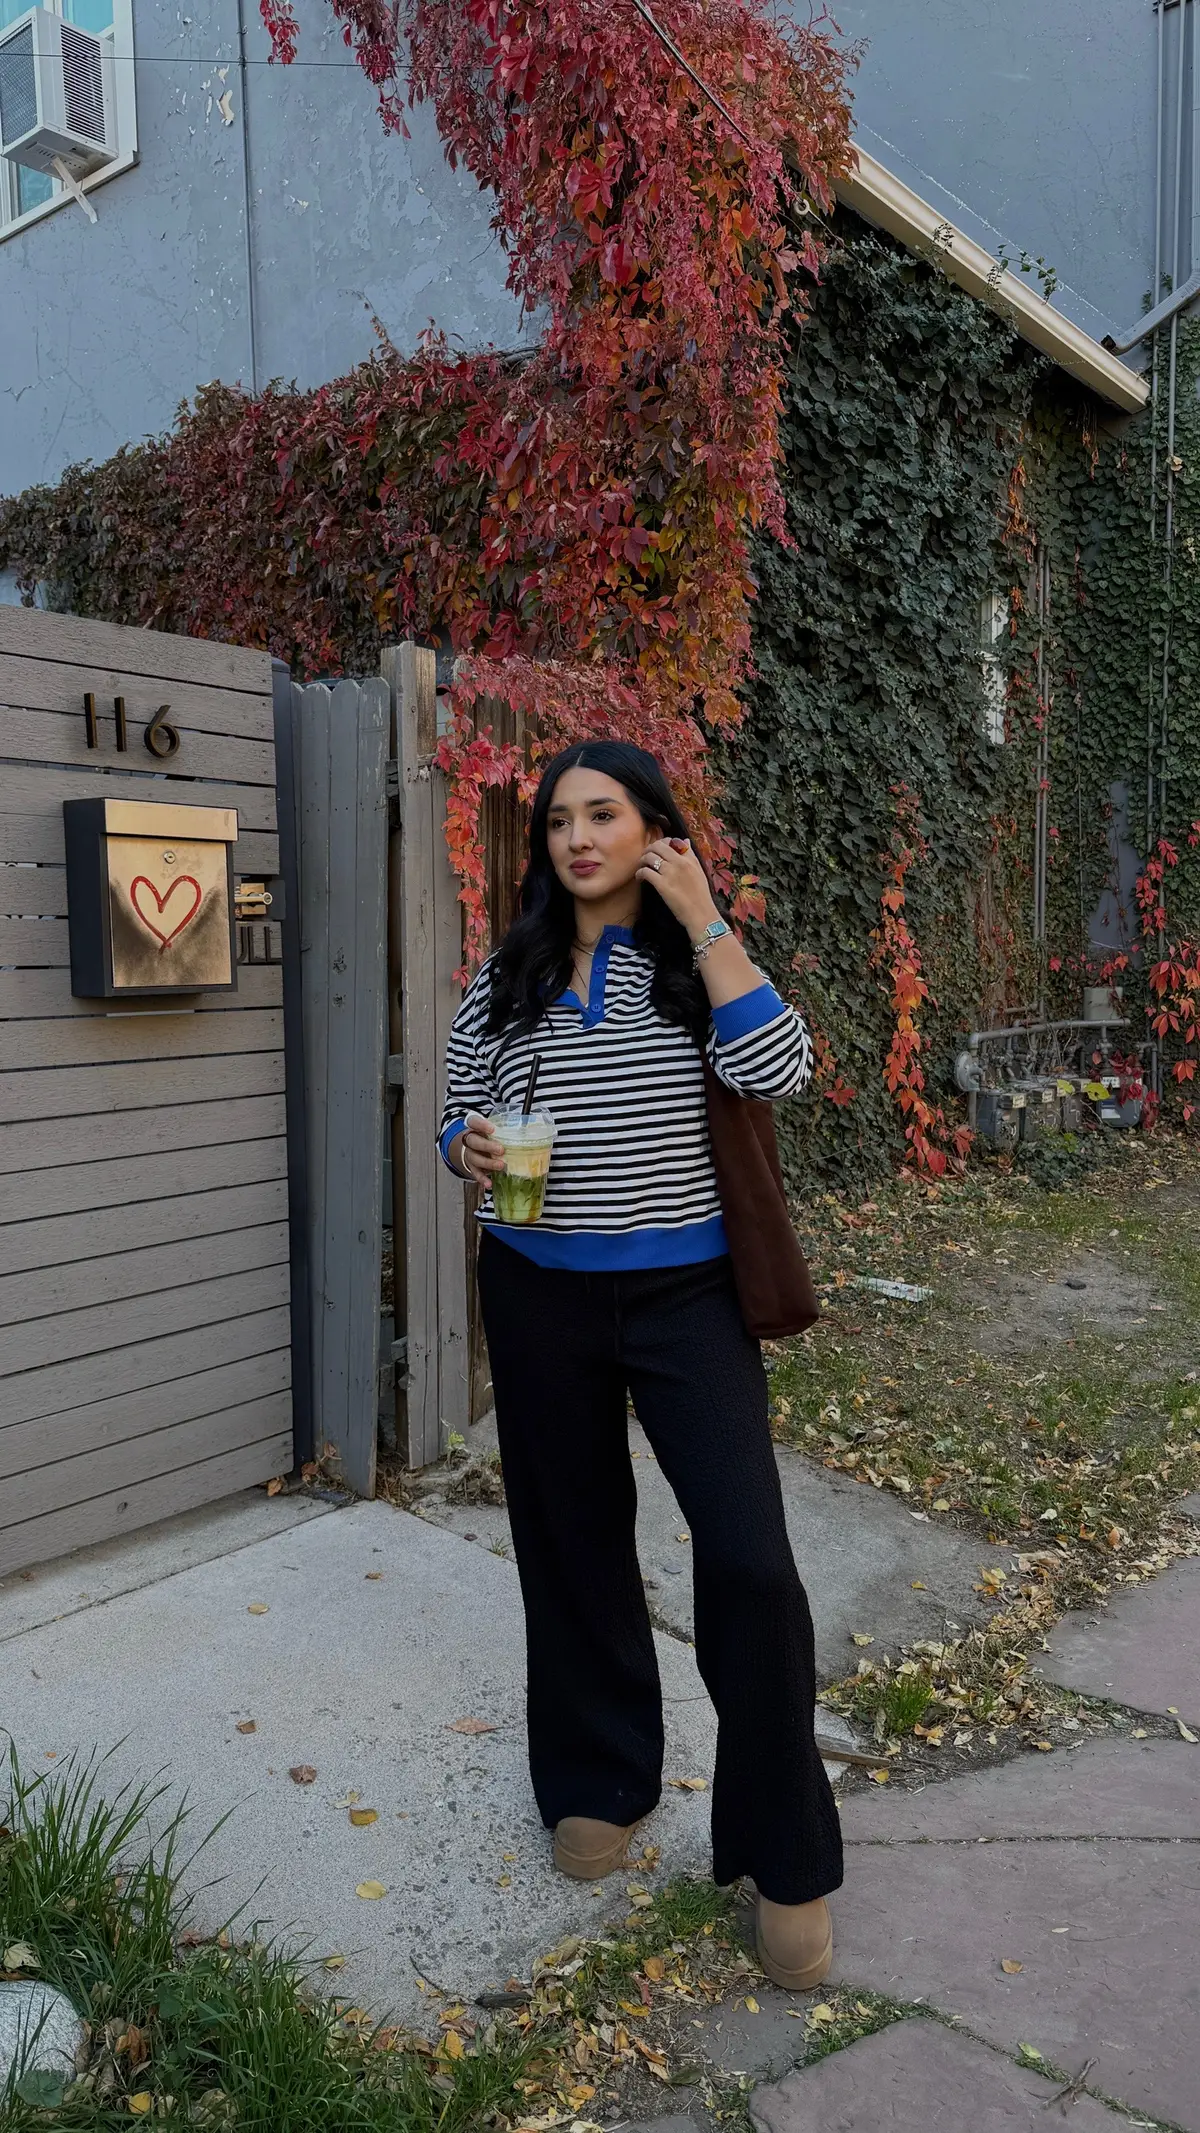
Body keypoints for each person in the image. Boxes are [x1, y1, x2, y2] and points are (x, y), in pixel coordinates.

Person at [437, 739, 842, 1990]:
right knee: (570, 1543)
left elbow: (782, 1068)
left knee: (748, 1563)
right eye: (558, 819)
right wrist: (469, 1148)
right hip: (541, 1293)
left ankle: (787, 1853)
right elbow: (458, 1107)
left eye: (601, 814)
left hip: (686, 1303)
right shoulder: (504, 978)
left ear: (652, 828)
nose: (575, 838)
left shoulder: (691, 968)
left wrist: (705, 918)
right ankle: (601, 1772)